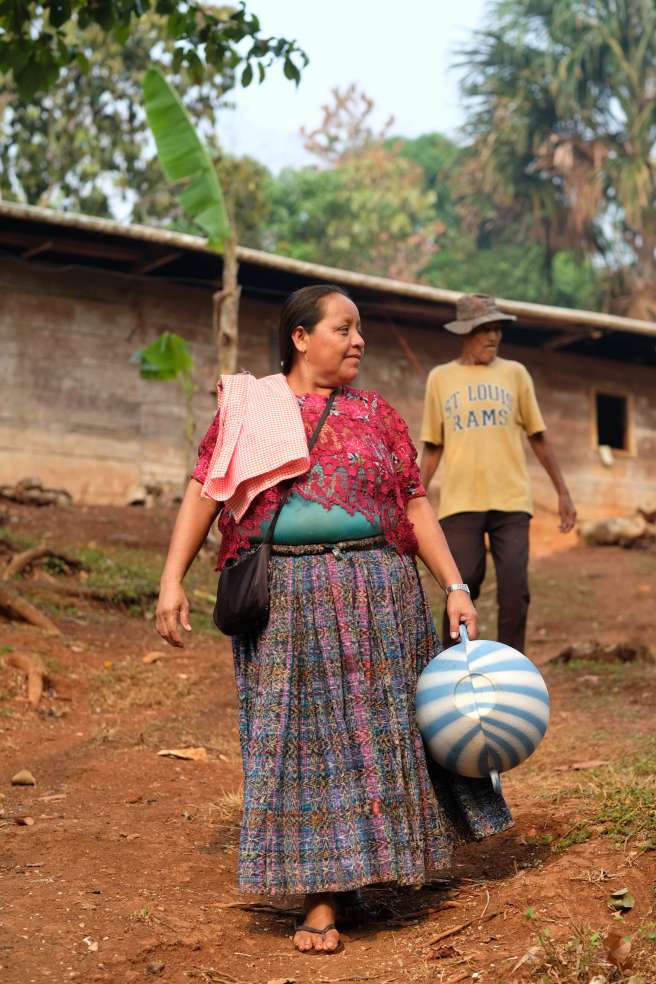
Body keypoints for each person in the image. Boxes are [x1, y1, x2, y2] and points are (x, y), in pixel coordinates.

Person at [156, 284, 512, 955]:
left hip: (382, 589)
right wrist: (172, 577)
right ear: (300, 337)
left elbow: (413, 505)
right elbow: (206, 488)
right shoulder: (254, 408)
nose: (359, 341)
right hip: (290, 596)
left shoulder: (377, 413)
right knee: (305, 745)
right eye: (344, 328)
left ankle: (385, 865)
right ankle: (322, 896)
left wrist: (456, 586)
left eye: (359, 330)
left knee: (382, 734)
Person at [420, 292, 577, 654]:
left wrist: (563, 491)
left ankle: (512, 667)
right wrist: (416, 497)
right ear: (465, 333)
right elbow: (432, 445)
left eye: (497, 329)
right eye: (483, 329)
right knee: (462, 583)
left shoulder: (515, 374)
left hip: (511, 500)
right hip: (461, 501)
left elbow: (538, 436)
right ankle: (454, 664)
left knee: (515, 591)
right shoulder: (440, 378)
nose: (493, 337)